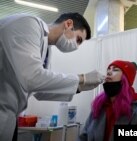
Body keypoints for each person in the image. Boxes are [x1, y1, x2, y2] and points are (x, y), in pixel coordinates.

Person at [0, 13, 105, 141]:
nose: (76, 47)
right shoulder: (29, 24)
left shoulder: (46, 49)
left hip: (8, 115)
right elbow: (32, 78)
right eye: (78, 40)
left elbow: (39, 91)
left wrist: (80, 87)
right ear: (68, 24)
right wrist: (82, 78)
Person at [78, 60, 137, 141]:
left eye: (115, 70)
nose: (109, 72)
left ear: (125, 78)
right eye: (108, 69)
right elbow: (84, 136)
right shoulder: (99, 105)